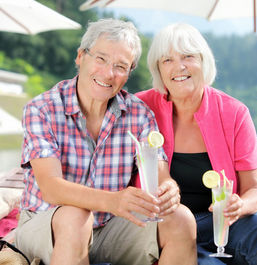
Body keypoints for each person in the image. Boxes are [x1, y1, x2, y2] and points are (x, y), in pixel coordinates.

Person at [15, 19, 197, 265]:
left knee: (181, 220)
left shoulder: (139, 114)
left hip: (110, 228)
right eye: (100, 59)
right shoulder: (42, 109)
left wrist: (169, 190)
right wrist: (114, 200)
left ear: (129, 73)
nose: (108, 73)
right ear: (81, 56)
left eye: (120, 66)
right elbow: (51, 188)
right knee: (75, 216)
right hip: (46, 225)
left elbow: (160, 172)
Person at [136, 23, 257, 265]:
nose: (179, 66)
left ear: (204, 61)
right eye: (167, 60)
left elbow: (256, 192)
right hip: (165, 227)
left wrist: (240, 204)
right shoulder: (140, 108)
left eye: (188, 56)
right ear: (158, 70)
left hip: (222, 225)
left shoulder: (234, 112)